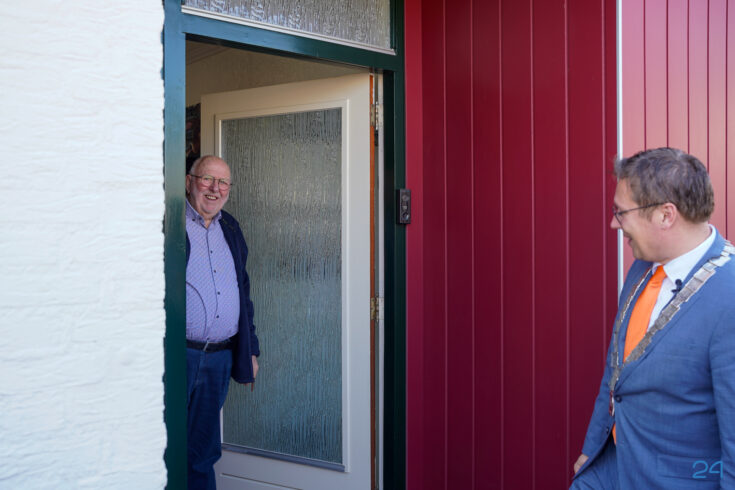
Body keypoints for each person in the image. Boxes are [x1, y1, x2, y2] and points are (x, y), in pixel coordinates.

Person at [571, 148, 735, 488]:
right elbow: (616, 371)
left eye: (621, 212)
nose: (614, 223)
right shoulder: (642, 266)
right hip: (608, 469)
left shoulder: (729, 295)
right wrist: (591, 451)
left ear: (665, 215)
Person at [185, 155, 260, 489]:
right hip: (177, 356)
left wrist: (250, 349)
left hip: (219, 358)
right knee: (162, 446)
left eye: (223, 182)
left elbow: (243, 290)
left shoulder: (229, 226)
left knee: (202, 452)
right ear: (189, 182)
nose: (215, 188)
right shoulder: (168, 223)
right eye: (207, 179)